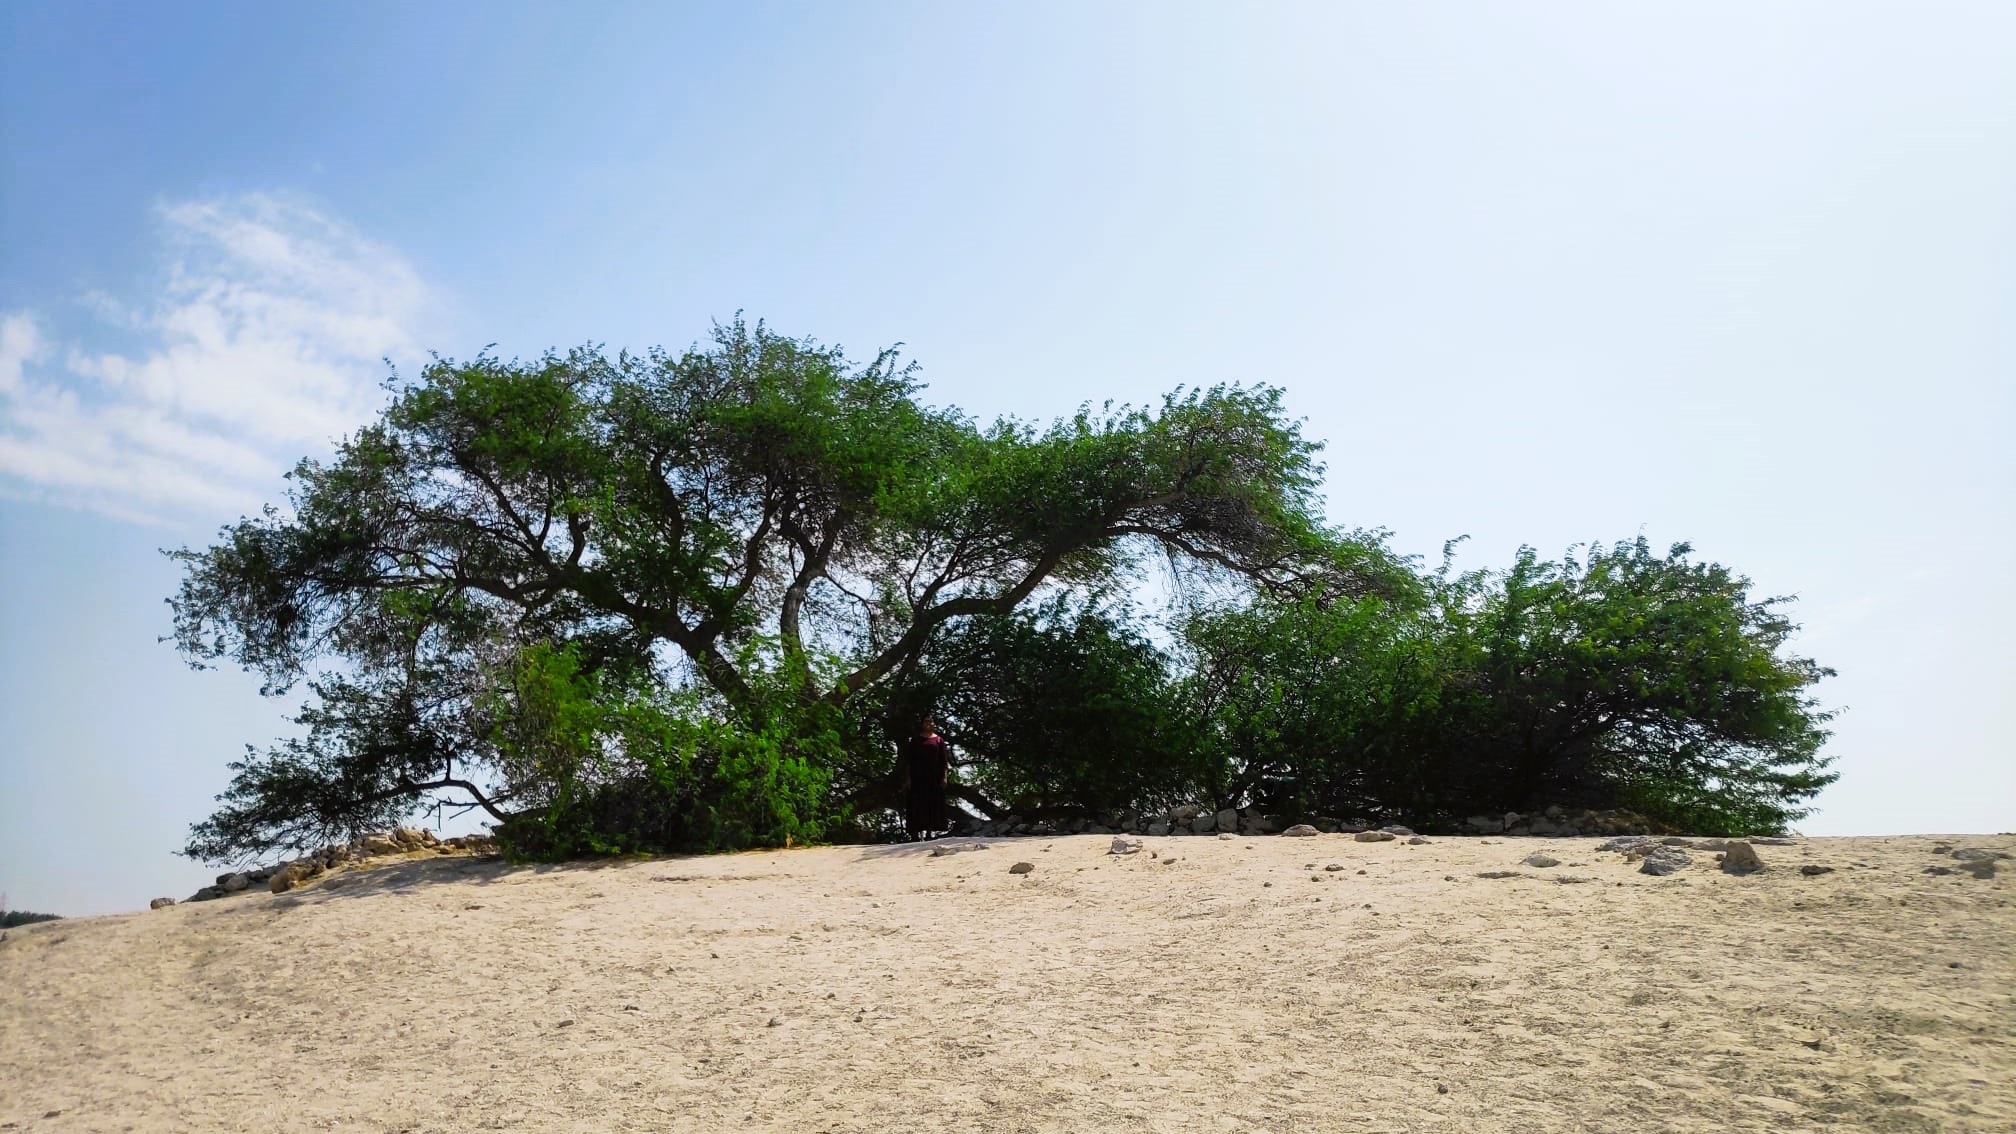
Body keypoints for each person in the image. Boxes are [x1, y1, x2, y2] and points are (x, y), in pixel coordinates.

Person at [898, 713, 951, 841]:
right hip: (918, 777)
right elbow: (909, 761)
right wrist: (908, 778)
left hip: (934, 778)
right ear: (922, 724)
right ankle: (915, 833)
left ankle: (929, 832)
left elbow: (944, 762)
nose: (929, 724)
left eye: (931, 721)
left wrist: (944, 777)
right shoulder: (915, 741)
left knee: (932, 804)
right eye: (927, 721)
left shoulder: (939, 740)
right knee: (916, 804)